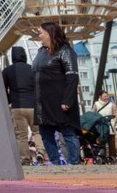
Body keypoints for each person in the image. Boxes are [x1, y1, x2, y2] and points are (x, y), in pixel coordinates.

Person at [32, 22, 80, 165]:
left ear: (50, 33)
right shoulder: (41, 52)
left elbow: (72, 76)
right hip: (42, 101)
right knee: (45, 132)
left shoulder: (65, 51)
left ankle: (74, 163)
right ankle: (55, 163)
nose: (39, 35)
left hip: (59, 100)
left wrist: (67, 100)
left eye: (41, 32)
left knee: (67, 132)